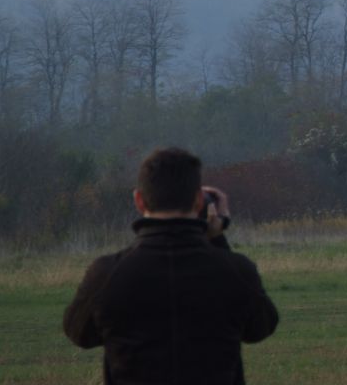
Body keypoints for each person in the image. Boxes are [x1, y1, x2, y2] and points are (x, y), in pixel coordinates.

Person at [63, 147, 278, 385]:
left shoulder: (106, 274)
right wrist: (216, 239)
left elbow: (79, 333)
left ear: (139, 200)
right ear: (198, 200)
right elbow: (261, 328)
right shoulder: (236, 270)